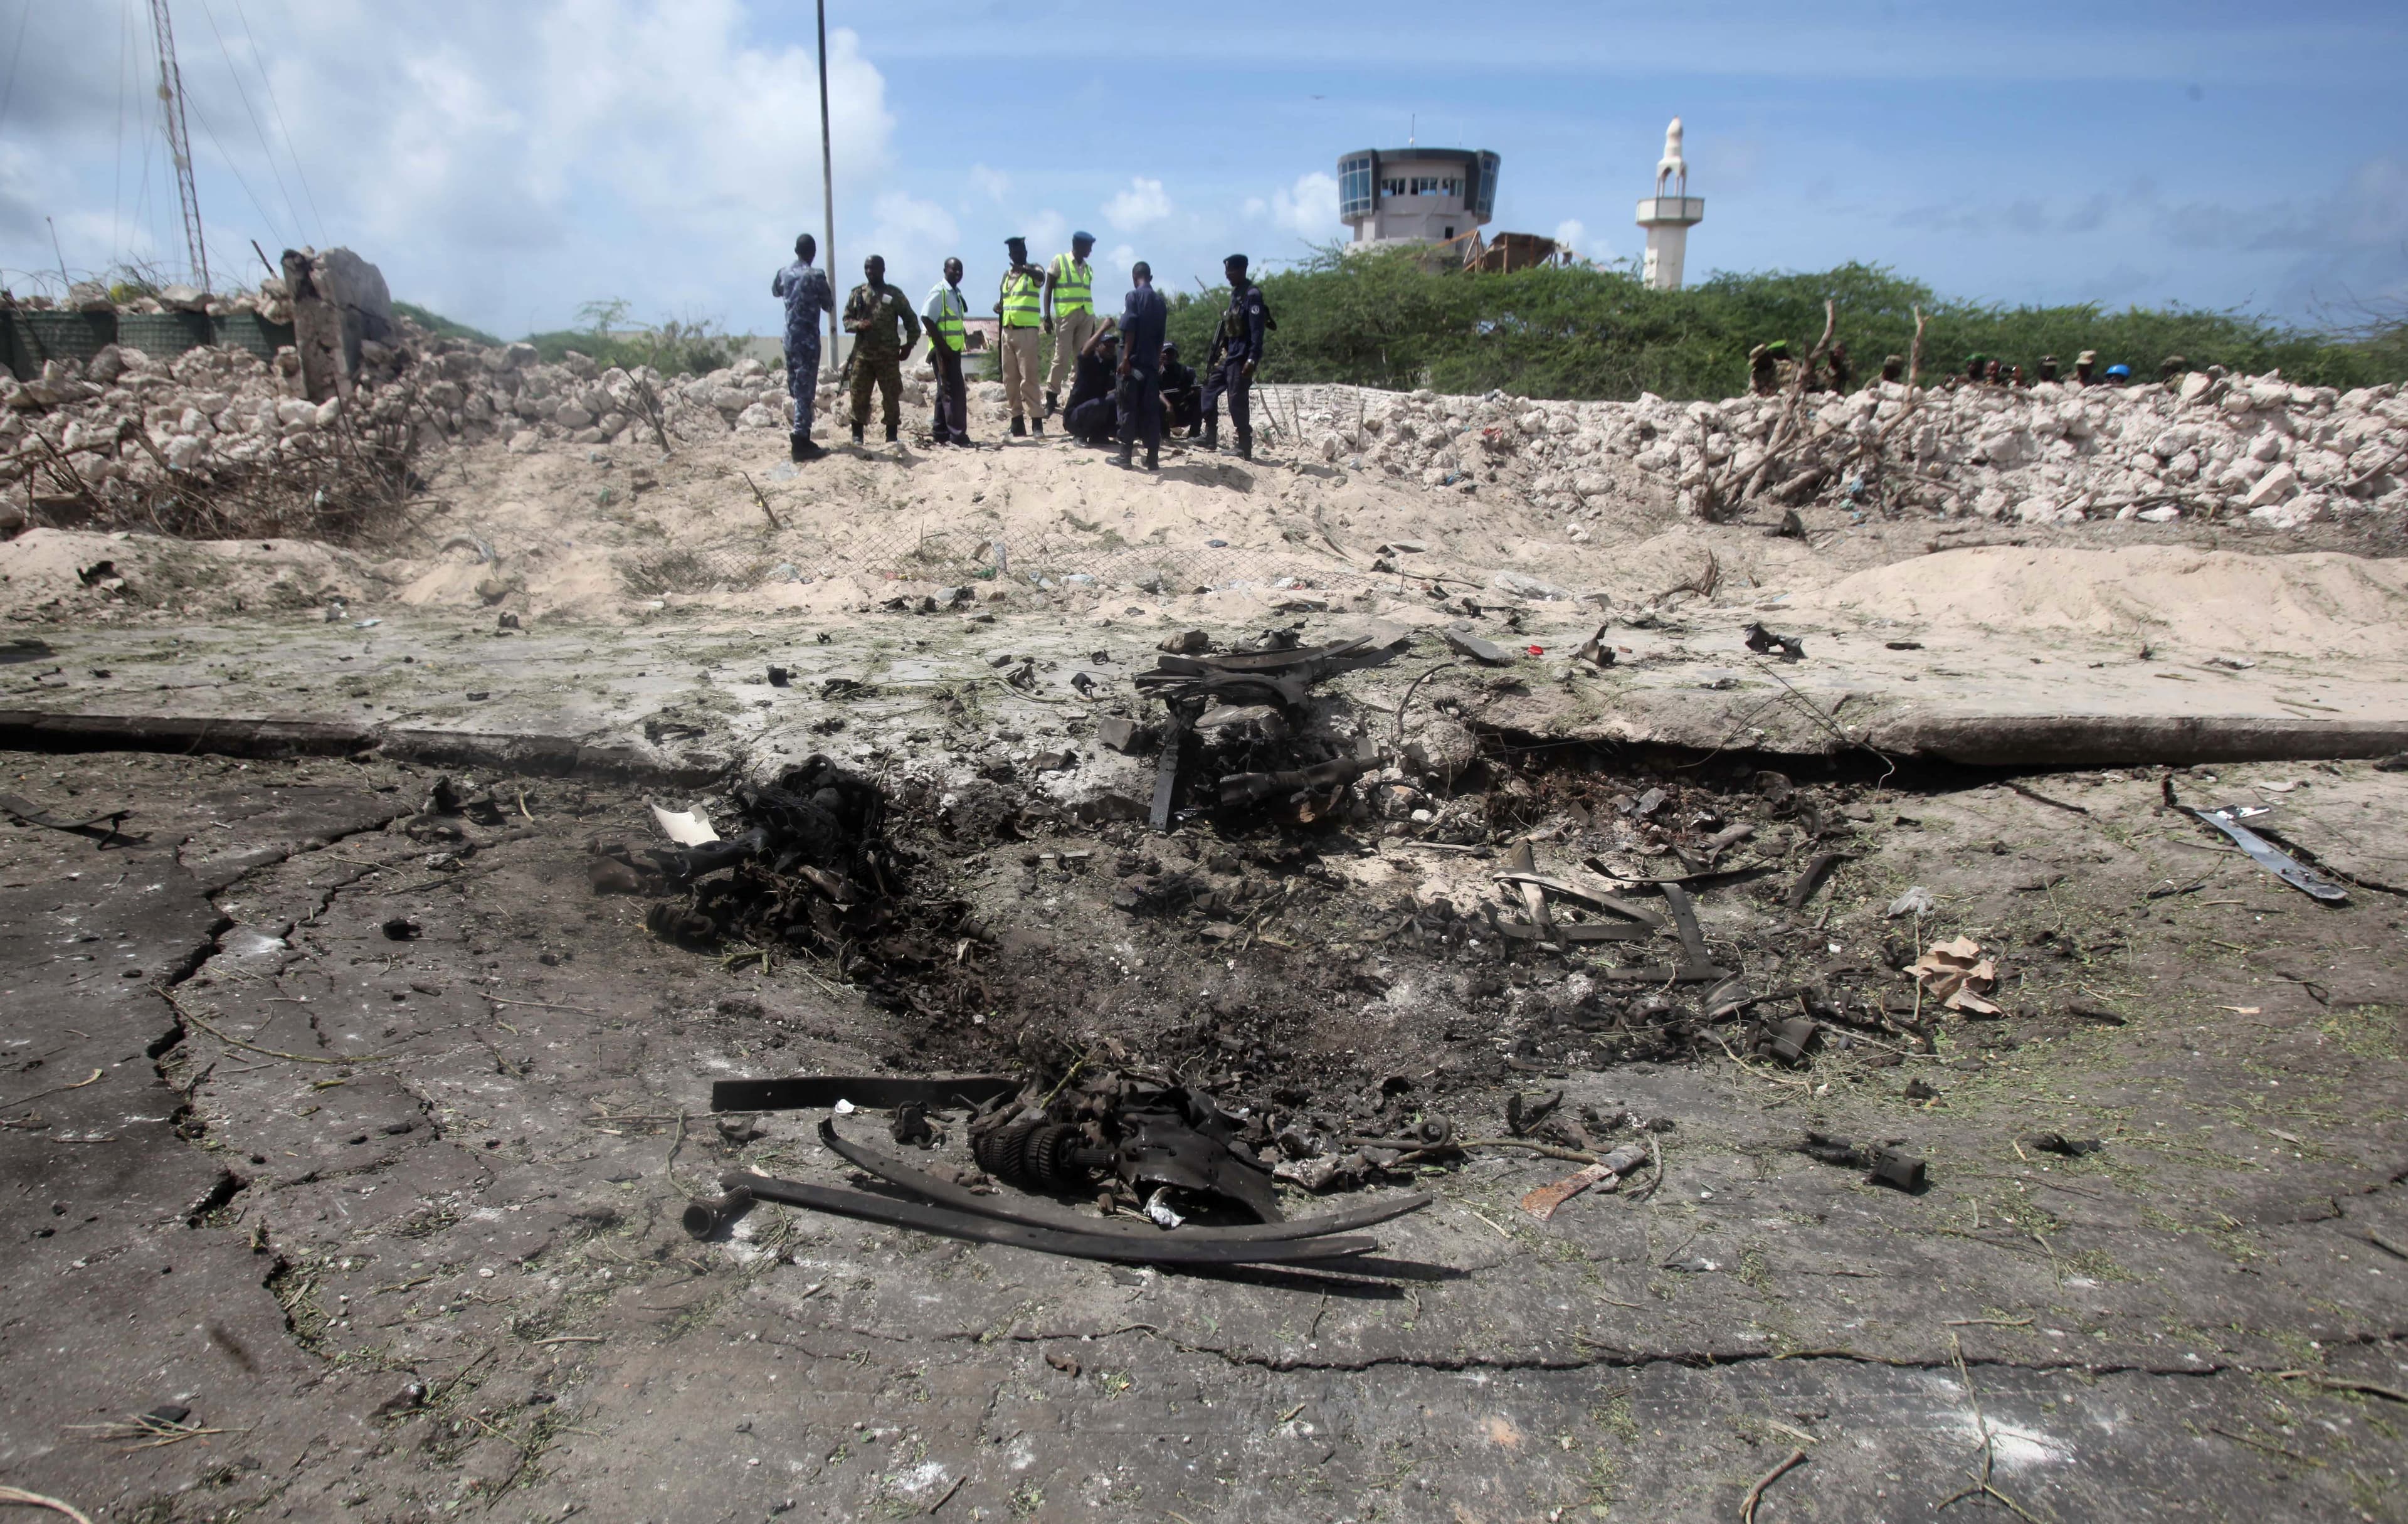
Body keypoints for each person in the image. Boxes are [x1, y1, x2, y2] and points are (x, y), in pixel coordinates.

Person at [841, 254, 919, 446]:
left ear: (883, 269)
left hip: (888, 356)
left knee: (891, 396)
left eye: (873, 268)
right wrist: (859, 325)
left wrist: (909, 345)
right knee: (858, 395)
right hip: (863, 355)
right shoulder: (857, 294)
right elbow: (846, 321)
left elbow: (911, 320)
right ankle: (857, 435)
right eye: (867, 268)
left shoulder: (894, 295)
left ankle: (891, 435)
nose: (870, 272)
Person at [771, 233, 836, 461]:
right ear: (813, 253)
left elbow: (776, 291)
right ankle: (800, 441)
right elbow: (828, 305)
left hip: (789, 338)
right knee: (805, 392)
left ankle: (800, 436)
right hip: (808, 340)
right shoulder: (816, 275)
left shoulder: (784, 273)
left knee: (797, 389)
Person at [1201, 253, 1269, 460]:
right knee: (1208, 389)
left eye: (1230, 271)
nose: (1227, 275)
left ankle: (1244, 446)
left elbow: (1257, 331)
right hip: (1229, 356)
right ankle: (1210, 437)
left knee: (1237, 401)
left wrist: (1252, 359)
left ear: (1241, 270)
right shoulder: (1236, 294)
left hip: (1242, 358)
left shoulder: (1252, 295)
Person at [1114, 260, 1168, 470]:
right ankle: (1152, 459)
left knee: (1128, 408)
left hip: (1134, 365)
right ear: (1150, 277)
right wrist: (1155, 362)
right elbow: (1161, 339)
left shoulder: (1133, 296)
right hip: (1151, 367)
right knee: (1151, 412)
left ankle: (1125, 458)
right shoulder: (1161, 303)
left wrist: (1126, 358)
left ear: (1134, 278)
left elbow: (1130, 329)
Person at [1043, 231, 1099, 420]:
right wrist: (1047, 315)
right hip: (1066, 315)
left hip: (1086, 314)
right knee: (1061, 356)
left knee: (1081, 358)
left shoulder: (1088, 268)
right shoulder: (1060, 261)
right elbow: (1048, 287)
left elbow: (1087, 292)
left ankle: (1076, 397)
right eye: (1088, 246)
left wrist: (1092, 321)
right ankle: (1051, 397)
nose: (1090, 250)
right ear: (1078, 245)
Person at [995, 236, 1046, 437]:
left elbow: (1040, 279)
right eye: (1014, 252)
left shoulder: (1034, 270)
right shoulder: (1006, 276)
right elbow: (1003, 299)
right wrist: (998, 306)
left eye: (1021, 251)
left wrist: (1024, 268)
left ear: (1025, 252)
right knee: (1010, 379)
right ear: (1010, 255)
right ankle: (1017, 421)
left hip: (1027, 331)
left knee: (1030, 377)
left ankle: (1037, 423)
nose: (1018, 255)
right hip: (1007, 331)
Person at [922, 257, 973, 447]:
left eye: (960, 270)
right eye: (954, 270)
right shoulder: (940, 292)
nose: (958, 274)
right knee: (954, 392)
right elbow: (926, 318)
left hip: (953, 350)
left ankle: (940, 431)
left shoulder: (955, 294)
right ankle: (957, 435)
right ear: (945, 270)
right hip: (943, 352)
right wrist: (942, 346)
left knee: (943, 390)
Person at [1062, 325, 1121, 447]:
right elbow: (1083, 353)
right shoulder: (1089, 360)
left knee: (1117, 397)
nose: (1111, 349)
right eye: (1107, 346)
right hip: (1074, 417)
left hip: (1095, 409)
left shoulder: (1111, 362)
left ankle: (1099, 436)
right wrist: (1104, 327)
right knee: (1099, 403)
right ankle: (1079, 437)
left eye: (1112, 347)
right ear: (1097, 346)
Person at [1159, 342, 1201, 435]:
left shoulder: (1187, 371)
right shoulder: (1157, 373)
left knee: (1200, 398)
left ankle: (1195, 434)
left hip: (1182, 412)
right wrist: (1169, 406)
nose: (1168, 356)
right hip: (1165, 413)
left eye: (1171, 353)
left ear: (1176, 355)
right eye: (1165, 354)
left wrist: (1191, 392)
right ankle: (1164, 435)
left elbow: (1197, 390)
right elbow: (1155, 391)